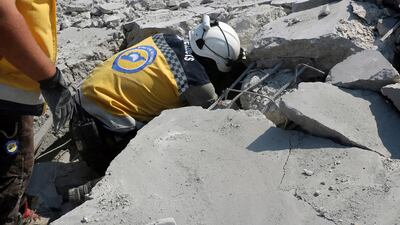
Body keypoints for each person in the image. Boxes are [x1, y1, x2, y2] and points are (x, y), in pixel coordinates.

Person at [70, 15, 244, 176]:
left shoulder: (167, 38)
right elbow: (213, 117)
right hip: (103, 126)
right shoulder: (198, 82)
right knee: (162, 154)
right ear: (217, 64)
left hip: (82, 96)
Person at [0, 0, 75, 224]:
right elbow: (3, 18)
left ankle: (21, 211)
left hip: (16, 83)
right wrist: (49, 78)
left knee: (18, 163)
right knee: (9, 174)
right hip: (6, 93)